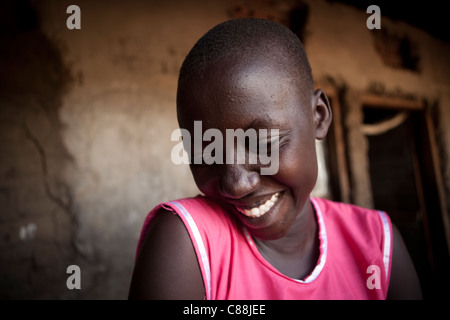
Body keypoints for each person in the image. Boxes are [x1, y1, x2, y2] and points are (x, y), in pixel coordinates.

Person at [128, 18, 422, 300]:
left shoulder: (378, 246)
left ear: (318, 116)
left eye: (263, 142)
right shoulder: (188, 243)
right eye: (207, 151)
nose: (236, 184)